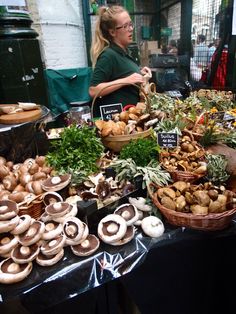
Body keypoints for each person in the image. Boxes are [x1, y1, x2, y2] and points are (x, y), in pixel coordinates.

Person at [89, 5, 151, 117]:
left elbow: (120, 73)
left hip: (130, 120)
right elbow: (93, 90)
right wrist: (126, 80)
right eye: (125, 26)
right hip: (117, 123)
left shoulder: (123, 52)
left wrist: (140, 73)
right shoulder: (108, 55)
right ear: (112, 32)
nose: (131, 29)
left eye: (130, 24)